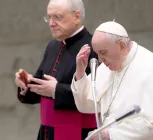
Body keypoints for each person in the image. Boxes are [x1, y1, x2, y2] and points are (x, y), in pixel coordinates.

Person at [71, 21, 153, 140]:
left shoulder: (150, 68)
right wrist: (80, 72)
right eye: (97, 54)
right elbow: (86, 105)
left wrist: (110, 134)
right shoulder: (107, 68)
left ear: (121, 45)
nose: (100, 60)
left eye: (103, 53)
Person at [14, 0, 98, 140]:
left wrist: (56, 90)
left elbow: (96, 96)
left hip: (77, 132)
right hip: (47, 133)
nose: (51, 23)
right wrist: (27, 84)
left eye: (57, 17)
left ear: (76, 16)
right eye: (49, 17)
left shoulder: (93, 47)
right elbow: (41, 90)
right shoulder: (52, 46)